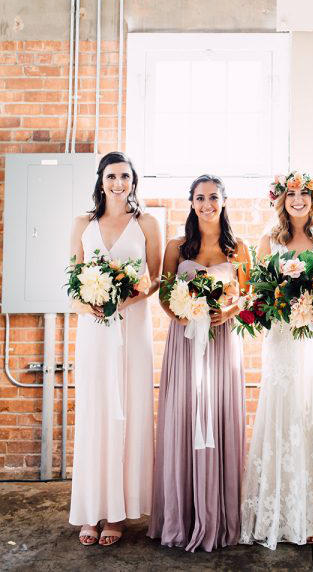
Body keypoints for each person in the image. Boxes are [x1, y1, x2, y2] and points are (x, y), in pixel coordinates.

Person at [240, 172, 313, 549]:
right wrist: (283, 301)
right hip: (284, 339)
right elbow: (257, 293)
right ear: (281, 200)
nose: (298, 200)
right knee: (284, 414)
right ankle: (283, 516)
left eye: (304, 194)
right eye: (291, 194)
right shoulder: (269, 241)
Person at [149, 174, 250, 552]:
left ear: (224, 200)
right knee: (183, 415)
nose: (206, 203)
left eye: (213, 197)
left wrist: (230, 309)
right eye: (199, 197)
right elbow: (163, 291)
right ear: (191, 202)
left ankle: (219, 517)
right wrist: (177, 312)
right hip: (185, 341)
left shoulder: (238, 247)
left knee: (220, 415)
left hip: (223, 340)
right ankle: (182, 516)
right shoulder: (177, 246)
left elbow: (248, 294)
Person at [69, 151, 162, 547]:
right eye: (111, 176)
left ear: (134, 180)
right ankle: (91, 510)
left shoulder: (147, 223)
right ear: (101, 180)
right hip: (93, 332)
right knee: (95, 413)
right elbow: (72, 279)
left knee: (129, 413)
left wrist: (127, 298)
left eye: (125, 176)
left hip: (132, 327)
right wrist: (87, 302)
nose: (118, 183)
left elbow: (156, 276)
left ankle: (119, 514)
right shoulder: (82, 224)